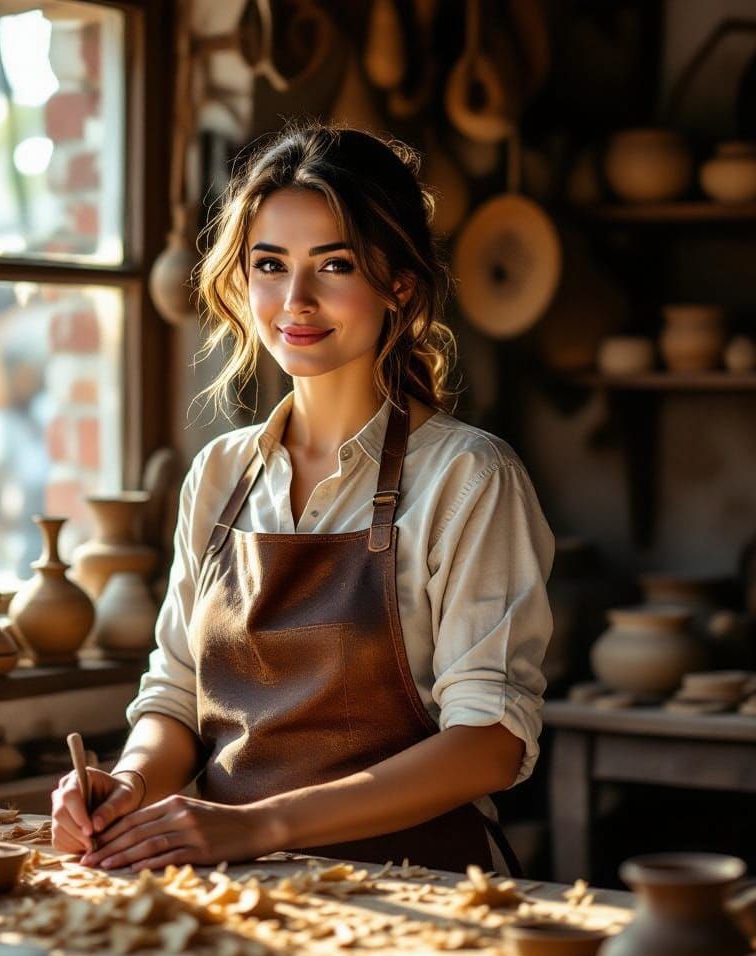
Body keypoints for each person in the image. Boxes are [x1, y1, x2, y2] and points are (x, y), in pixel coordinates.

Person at [52, 124, 554, 875]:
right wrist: (127, 784)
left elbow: (489, 744)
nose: (296, 300)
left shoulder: (470, 477)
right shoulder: (219, 474)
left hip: (423, 889)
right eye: (270, 265)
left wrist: (257, 825)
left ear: (400, 286)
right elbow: (176, 693)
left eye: (335, 265)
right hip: (241, 889)